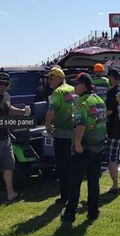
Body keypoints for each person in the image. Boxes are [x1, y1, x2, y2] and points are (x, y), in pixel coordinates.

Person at [61, 73, 106, 223]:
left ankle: (70, 213)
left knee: (75, 183)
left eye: (76, 84)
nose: (74, 87)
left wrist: (77, 144)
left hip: (84, 148)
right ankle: (93, 212)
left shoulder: (82, 102)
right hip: (98, 147)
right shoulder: (99, 100)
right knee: (94, 182)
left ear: (83, 85)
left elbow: (80, 124)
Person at [44, 67, 75, 205]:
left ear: (57, 78)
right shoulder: (72, 89)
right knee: (71, 166)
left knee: (62, 167)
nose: (49, 81)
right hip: (73, 133)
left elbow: (51, 111)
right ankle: (72, 193)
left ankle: (64, 197)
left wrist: (47, 125)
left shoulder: (57, 92)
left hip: (61, 133)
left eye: (50, 78)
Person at [0, 72, 30, 203]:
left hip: (5, 137)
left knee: (8, 166)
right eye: (3, 83)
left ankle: (11, 193)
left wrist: (23, 112)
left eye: (7, 84)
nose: (5, 86)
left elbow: (9, 109)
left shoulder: (6, 95)